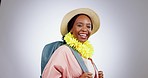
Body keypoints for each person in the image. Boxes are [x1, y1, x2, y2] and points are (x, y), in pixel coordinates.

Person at [42, 8, 104, 78]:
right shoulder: (64, 50)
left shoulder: (85, 55)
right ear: (71, 29)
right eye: (79, 25)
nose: (84, 29)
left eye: (88, 26)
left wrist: (96, 75)